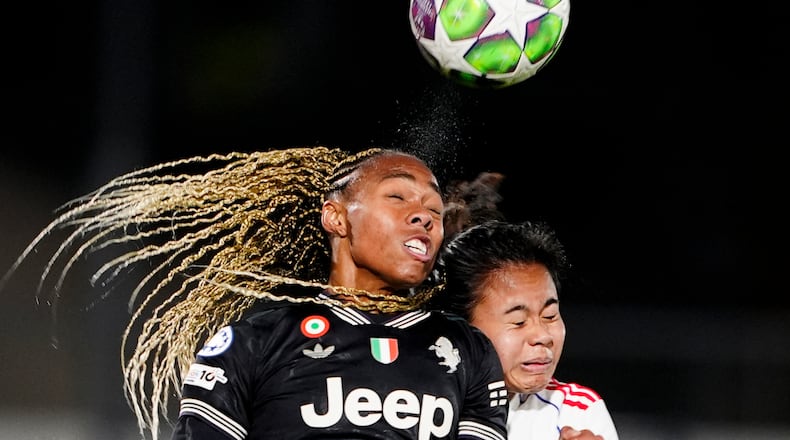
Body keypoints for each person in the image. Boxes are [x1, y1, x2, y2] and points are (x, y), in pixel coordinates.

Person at [2, 147, 508, 440]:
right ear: (335, 217)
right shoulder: (257, 340)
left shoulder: (466, 351)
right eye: (397, 196)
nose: (424, 215)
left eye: (434, 209)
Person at [431, 179, 619, 440]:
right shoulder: (413, 404)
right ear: (460, 329)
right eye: (519, 321)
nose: (543, 336)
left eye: (550, 316)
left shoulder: (576, 413)